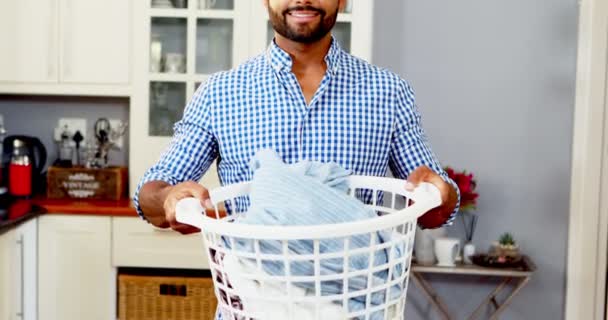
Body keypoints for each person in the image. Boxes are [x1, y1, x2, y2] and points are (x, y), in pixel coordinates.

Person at [134, 0, 460, 236]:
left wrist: (441, 192)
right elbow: (151, 193)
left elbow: (436, 209)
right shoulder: (219, 93)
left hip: (356, 303)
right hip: (250, 305)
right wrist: (167, 199)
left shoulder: (389, 91)